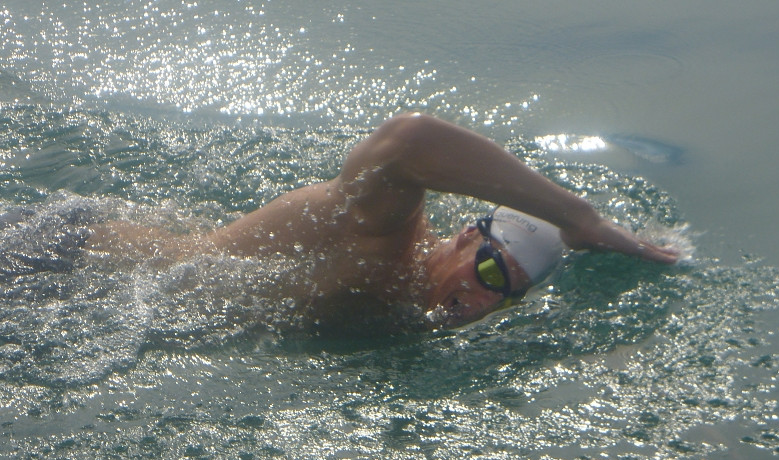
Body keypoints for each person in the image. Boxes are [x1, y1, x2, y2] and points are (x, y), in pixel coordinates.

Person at [86, 113, 679, 330]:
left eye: (507, 294)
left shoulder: (412, 311)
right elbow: (410, 140)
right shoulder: (383, 241)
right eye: (491, 271)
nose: (481, 298)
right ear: (467, 237)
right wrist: (578, 218)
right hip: (68, 262)